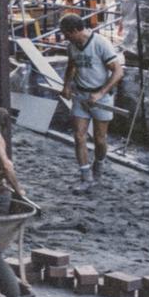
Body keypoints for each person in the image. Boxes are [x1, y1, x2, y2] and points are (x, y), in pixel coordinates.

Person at [59, 13, 123, 193]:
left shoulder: (100, 44)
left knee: (100, 139)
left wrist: (100, 93)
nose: (65, 38)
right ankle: (86, 177)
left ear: (76, 30)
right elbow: (71, 66)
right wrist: (67, 86)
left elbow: (118, 72)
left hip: (101, 97)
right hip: (81, 96)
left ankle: (99, 166)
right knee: (79, 136)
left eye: (67, 34)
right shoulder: (71, 46)